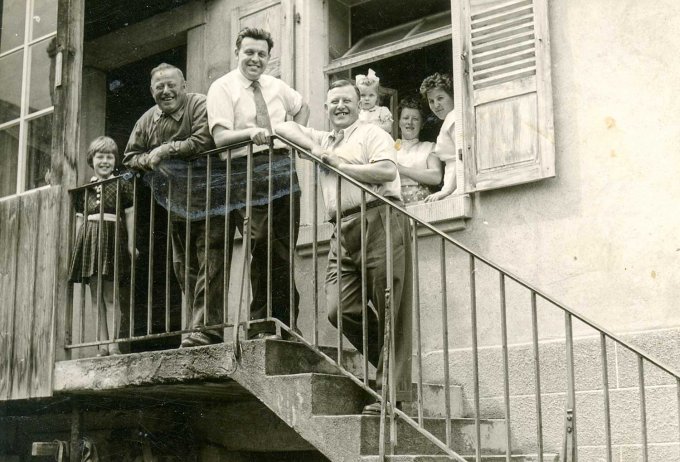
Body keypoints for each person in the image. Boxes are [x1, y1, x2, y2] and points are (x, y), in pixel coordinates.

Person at [275, 80, 412, 414]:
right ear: (326, 108)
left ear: (358, 105)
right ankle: (390, 365)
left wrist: (341, 166)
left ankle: (392, 393)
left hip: (379, 217)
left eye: (347, 101)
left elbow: (386, 170)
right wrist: (321, 151)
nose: (340, 107)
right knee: (340, 309)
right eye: (333, 102)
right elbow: (283, 126)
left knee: (392, 307)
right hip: (341, 229)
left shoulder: (371, 134)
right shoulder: (325, 140)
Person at [206, 27, 310, 340]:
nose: (255, 59)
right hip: (246, 167)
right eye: (249, 52)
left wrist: (293, 132)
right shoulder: (223, 87)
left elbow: (302, 106)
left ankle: (285, 323)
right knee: (262, 244)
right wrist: (251, 134)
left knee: (283, 246)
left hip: (281, 165)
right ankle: (262, 323)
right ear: (238, 52)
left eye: (262, 54)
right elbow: (221, 136)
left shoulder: (275, 85)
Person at [123, 63, 224, 348]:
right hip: (177, 204)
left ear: (184, 85)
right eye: (159, 87)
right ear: (151, 91)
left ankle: (209, 330)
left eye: (171, 86)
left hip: (212, 199)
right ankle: (196, 330)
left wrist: (165, 150)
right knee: (184, 268)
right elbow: (130, 156)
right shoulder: (147, 120)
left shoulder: (199, 104)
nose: (166, 92)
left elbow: (203, 139)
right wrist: (149, 160)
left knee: (210, 263)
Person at [69, 136, 137, 356]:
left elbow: (130, 215)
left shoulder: (122, 185)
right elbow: (80, 221)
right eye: (100, 157)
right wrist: (77, 248)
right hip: (90, 241)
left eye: (109, 157)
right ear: (92, 159)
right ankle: (101, 346)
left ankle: (114, 344)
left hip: (111, 239)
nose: (105, 161)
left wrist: (130, 243)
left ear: (115, 160)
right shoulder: (84, 190)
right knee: (96, 296)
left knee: (111, 296)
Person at [395, 96, 443, 203]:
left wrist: (401, 169)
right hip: (395, 206)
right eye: (405, 118)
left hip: (420, 204)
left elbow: (436, 177)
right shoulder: (392, 147)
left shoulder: (429, 147)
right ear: (399, 122)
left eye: (415, 119)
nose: (410, 122)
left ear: (422, 124)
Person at [419, 72, 457, 202]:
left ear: (452, 95)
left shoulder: (454, 118)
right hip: (452, 187)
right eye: (431, 101)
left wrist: (446, 191)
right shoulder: (449, 120)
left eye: (440, 98)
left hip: (456, 187)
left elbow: (462, 157)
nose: (436, 105)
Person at [356, 69, 393, 133]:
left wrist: (372, 127)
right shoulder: (357, 113)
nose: (367, 99)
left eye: (371, 95)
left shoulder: (381, 111)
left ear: (377, 97)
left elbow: (389, 128)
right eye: (363, 95)